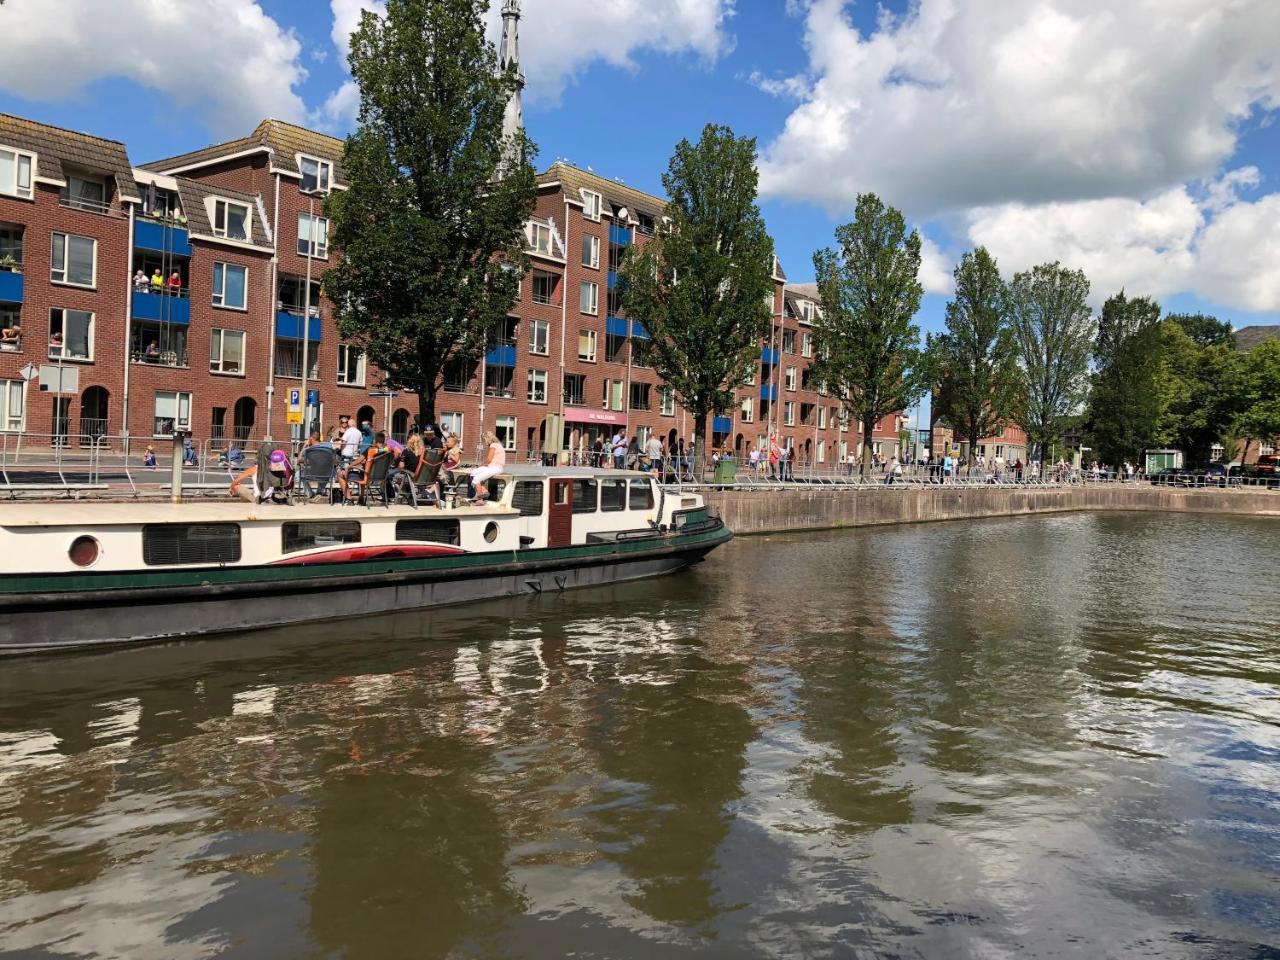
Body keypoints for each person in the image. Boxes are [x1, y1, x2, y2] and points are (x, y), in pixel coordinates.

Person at [337, 431, 390, 501]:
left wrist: (349, 467)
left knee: (340, 475)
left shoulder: (370, 450)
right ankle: (361, 498)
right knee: (362, 471)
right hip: (381, 479)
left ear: (375, 440)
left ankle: (349, 499)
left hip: (367, 478)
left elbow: (358, 460)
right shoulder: (387, 451)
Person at [229, 448, 294, 503]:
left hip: (257, 498)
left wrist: (231, 488)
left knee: (236, 486)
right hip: (270, 496)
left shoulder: (253, 469)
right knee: (251, 492)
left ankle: (248, 502)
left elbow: (236, 481)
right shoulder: (272, 468)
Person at [470, 430, 505, 502]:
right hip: (493, 467)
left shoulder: (493, 445)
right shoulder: (498, 444)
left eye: (484, 440)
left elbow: (489, 459)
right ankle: (484, 491)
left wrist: (480, 465)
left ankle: (479, 500)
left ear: (487, 439)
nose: (484, 442)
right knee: (473, 472)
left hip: (496, 468)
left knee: (476, 478)